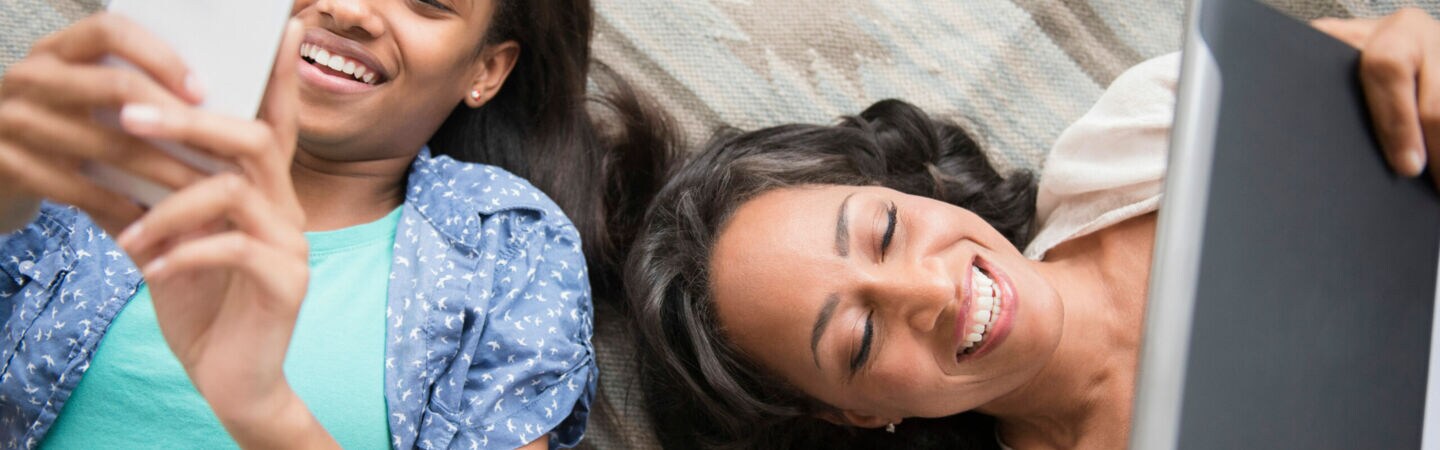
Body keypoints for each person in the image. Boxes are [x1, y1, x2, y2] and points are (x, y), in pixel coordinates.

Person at [625, 9, 1440, 449]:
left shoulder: (1137, 141)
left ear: (899, 186)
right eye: (861, 339)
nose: (932, 290)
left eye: (884, 231)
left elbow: (1399, 84)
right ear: (858, 415)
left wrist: (1417, 58)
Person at [0, 0, 670, 448]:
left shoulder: (511, 245)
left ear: (486, 69)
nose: (349, 9)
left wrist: (263, 409)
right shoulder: (99, 141)